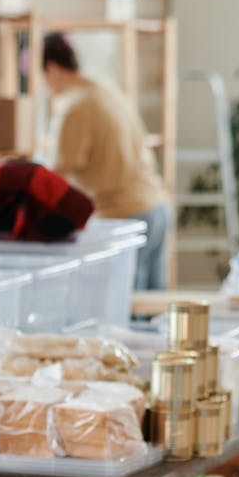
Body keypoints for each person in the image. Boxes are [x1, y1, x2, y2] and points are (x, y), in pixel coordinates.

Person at [40, 32, 172, 289]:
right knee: (154, 313)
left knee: (128, 313)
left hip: (124, 216)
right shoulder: (105, 90)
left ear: (52, 69)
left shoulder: (75, 106)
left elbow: (54, 176)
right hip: (156, 207)